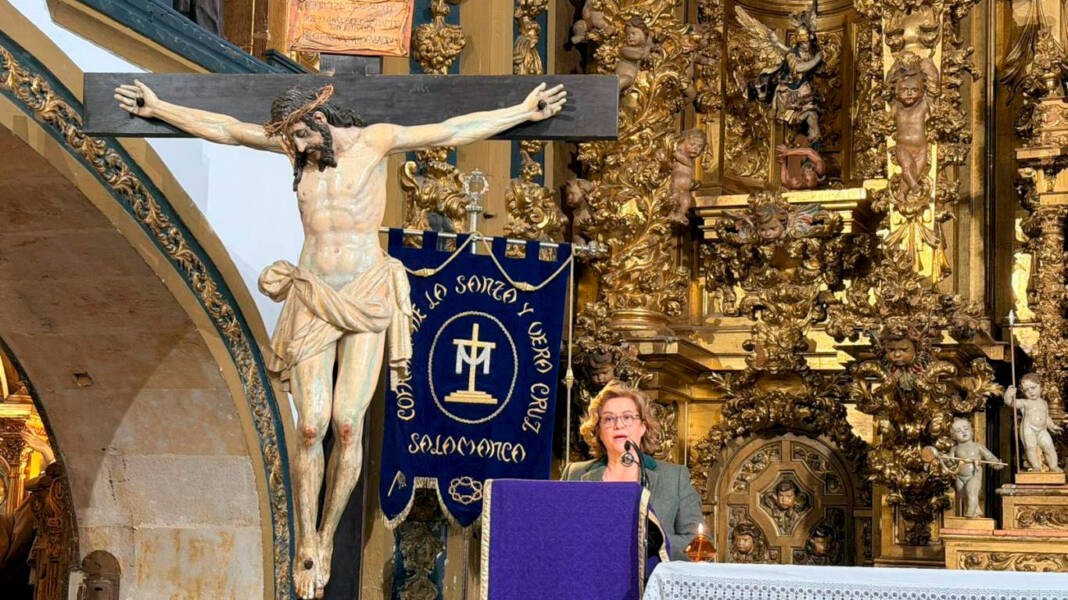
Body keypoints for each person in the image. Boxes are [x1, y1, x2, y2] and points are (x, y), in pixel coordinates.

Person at [114, 78, 567, 599]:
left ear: (320, 118)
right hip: (313, 292)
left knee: (348, 424)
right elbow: (229, 129)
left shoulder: (376, 141)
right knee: (311, 425)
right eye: (291, 139)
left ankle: (326, 537)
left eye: (302, 135)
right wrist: (160, 107)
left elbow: (451, 129)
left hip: (366, 291)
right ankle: (305, 537)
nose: (297, 147)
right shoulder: (296, 149)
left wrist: (522, 112)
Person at [561, 381, 703, 561]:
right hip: (590, 572)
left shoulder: (674, 478)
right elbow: (558, 533)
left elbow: (698, 544)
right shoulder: (575, 474)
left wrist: (654, 543)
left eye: (627, 417)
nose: (618, 425)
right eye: (609, 419)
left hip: (650, 576)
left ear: (643, 426)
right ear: (598, 430)